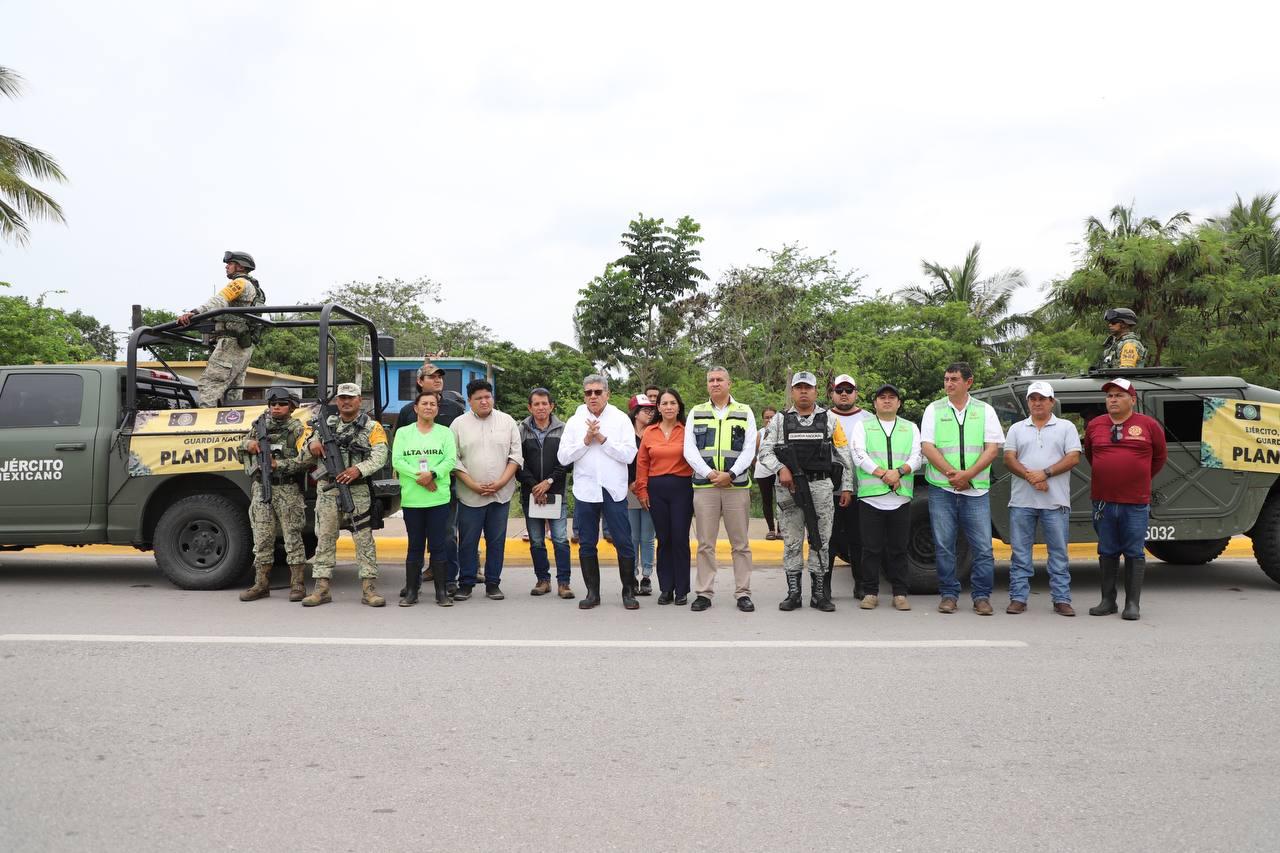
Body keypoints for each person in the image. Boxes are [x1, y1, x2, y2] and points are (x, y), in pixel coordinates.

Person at [757, 371, 855, 612]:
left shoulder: (830, 419)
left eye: (807, 387)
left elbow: (843, 455)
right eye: (798, 387)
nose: (803, 391)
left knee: (820, 540)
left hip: (821, 486)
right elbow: (765, 453)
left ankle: (819, 594)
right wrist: (781, 469)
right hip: (789, 489)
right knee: (791, 542)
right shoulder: (779, 420)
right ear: (792, 391)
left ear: (816, 392)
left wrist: (847, 486)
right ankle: (794, 593)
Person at [920, 362, 1005, 615]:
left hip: (976, 490)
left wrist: (968, 475)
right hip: (942, 488)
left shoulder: (985, 410)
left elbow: (992, 448)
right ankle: (948, 595)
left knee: (983, 547)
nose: (948, 384)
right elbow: (927, 446)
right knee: (944, 545)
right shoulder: (933, 409)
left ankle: (981, 597)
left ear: (968, 382)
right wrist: (952, 474)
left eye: (954, 379)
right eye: (946, 379)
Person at [1083, 377, 1167, 620]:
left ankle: (1132, 604)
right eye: (1109, 396)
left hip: (1135, 502)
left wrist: (1137, 478)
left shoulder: (1148, 425)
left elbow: (1160, 457)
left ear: (1132, 399)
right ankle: (1107, 601)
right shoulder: (1095, 425)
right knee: (1107, 550)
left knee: (1134, 552)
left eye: (1119, 395)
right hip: (1103, 501)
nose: (1113, 400)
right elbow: (1091, 454)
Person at [300, 382, 390, 607]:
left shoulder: (372, 427)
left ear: (360, 400)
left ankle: (369, 589)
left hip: (357, 490)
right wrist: (312, 444)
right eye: (342, 398)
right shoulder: (325, 425)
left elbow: (381, 456)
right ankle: (321, 589)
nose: (346, 402)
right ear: (336, 402)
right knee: (325, 538)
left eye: (351, 397)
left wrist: (358, 469)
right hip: (328, 490)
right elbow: (303, 453)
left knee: (364, 540)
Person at [1002, 381, 1082, 616]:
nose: (1037, 403)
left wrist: (1045, 473)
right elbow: (1009, 458)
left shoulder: (1066, 427)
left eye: (1042, 398)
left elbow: (1074, 457)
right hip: (1022, 501)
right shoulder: (1017, 428)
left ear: (1051, 402)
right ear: (1028, 402)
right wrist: (1032, 477)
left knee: (1058, 553)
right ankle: (1018, 598)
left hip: (1055, 502)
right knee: (1020, 552)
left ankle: (1061, 599)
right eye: (1033, 399)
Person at [558, 374, 638, 610]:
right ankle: (593, 593)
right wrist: (585, 440)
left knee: (623, 541)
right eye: (588, 392)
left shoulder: (621, 419)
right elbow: (563, 457)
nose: (592, 396)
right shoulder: (575, 421)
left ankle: (628, 592)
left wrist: (602, 439)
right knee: (587, 544)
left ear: (607, 393)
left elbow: (629, 455)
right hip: (586, 491)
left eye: (597, 392)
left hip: (614, 490)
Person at [683, 366, 757, 612]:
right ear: (707, 385)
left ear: (729, 383)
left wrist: (731, 474)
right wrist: (710, 473)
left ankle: (743, 593)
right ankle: (704, 593)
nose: (715, 383)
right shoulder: (697, 412)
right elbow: (689, 450)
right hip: (706, 487)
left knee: (741, 544)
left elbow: (749, 449)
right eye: (711, 380)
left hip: (736, 487)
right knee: (705, 543)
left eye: (720, 380)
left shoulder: (744, 412)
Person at [848, 383, 921, 611]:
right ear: (875, 403)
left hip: (900, 498)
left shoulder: (910, 428)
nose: (887, 400)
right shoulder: (863, 426)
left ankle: (900, 593)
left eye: (892, 397)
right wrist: (883, 474)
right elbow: (858, 454)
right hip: (871, 498)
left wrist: (899, 472)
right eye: (882, 397)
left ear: (899, 403)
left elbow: (917, 456)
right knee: (870, 549)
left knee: (899, 548)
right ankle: (870, 592)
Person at [395, 362, 466, 592]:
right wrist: (421, 477)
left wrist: (435, 475)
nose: (437, 380)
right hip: (416, 486)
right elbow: (400, 453)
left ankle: (448, 581)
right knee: (417, 540)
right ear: (419, 382)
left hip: (446, 484)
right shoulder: (408, 411)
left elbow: (456, 450)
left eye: (439, 376)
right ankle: (413, 584)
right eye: (431, 376)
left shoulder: (455, 409)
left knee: (446, 536)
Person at [450, 378, 522, 601]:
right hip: (470, 494)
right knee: (468, 541)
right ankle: (467, 583)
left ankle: (493, 583)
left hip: (501, 494)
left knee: (496, 541)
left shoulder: (507, 421)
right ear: (470, 401)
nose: (484, 401)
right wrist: (472, 484)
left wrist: (500, 482)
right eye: (479, 398)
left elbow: (515, 456)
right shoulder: (458, 424)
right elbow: (453, 459)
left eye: (487, 397)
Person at [237, 387, 308, 603]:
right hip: (261, 487)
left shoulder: (297, 429)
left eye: (282, 404)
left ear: (291, 407)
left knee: (292, 537)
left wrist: (280, 464)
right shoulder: (259, 426)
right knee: (262, 537)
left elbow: (306, 459)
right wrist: (248, 444)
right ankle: (261, 584)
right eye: (273, 404)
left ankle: (297, 584)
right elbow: (240, 449)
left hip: (286, 488)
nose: (276, 407)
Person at [392, 389, 457, 607]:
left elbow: (450, 460)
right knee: (415, 546)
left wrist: (433, 474)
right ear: (416, 408)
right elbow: (398, 461)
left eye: (433, 404)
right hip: (413, 499)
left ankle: (441, 592)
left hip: (438, 498)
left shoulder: (445, 433)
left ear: (437, 409)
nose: (429, 407)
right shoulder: (403, 433)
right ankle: (412, 591)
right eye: (425, 403)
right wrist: (420, 477)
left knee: (439, 545)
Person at [177, 250, 262, 407]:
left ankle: (202, 426)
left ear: (241, 266)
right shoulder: (254, 287)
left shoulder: (240, 283)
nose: (226, 267)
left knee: (209, 387)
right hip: (242, 344)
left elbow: (220, 300)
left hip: (230, 343)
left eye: (230, 264)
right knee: (233, 392)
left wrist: (195, 312)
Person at [635, 389, 695, 605]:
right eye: (664, 403)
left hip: (682, 487)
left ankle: (682, 589)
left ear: (679, 406)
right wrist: (641, 490)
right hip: (656, 489)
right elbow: (642, 463)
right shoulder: (650, 432)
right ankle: (666, 588)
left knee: (679, 538)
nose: (669, 407)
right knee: (664, 539)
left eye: (673, 403)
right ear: (658, 407)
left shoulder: (688, 431)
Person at [516, 387, 573, 599]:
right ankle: (543, 580)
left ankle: (564, 583)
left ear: (552, 406)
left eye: (544, 403)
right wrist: (534, 486)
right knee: (537, 540)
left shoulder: (564, 429)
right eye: (536, 404)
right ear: (529, 407)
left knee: (559, 539)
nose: (541, 407)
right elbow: (517, 462)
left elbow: (567, 462)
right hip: (531, 495)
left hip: (555, 493)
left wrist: (548, 482)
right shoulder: (520, 430)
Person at [826, 373, 873, 599]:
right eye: (839, 390)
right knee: (829, 539)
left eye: (848, 390)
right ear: (832, 393)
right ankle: (824, 587)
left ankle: (860, 584)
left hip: (862, 489)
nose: (844, 394)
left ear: (856, 393)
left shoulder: (869, 419)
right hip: (829, 490)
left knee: (859, 539)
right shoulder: (822, 418)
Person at [627, 393, 658, 594]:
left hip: (648, 489)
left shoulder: (653, 433)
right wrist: (630, 482)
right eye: (646, 410)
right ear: (636, 413)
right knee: (632, 536)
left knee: (647, 536)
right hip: (628, 490)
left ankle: (646, 575)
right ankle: (632, 574)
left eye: (651, 410)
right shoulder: (625, 434)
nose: (650, 413)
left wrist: (643, 483)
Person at [753, 406, 780, 540]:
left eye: (772, 417)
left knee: (782, 500)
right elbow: (754, 454)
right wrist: (758, 464)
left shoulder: (781, 432)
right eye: (767, 417)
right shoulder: (760, 433)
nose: (769, 420)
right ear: (763, 419)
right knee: (767, 500)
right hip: (763, 472)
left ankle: (781, 529)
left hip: (779, 470)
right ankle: (771, 529)